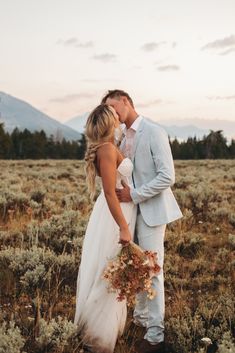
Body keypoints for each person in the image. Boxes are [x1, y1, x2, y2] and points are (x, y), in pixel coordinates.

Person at [101, 90, 183, 353]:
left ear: (125, 101)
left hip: (151, 213)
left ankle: (155, 336)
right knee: (136, 268)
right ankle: (141, 320)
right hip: (131, 214)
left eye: (113, 108)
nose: (112, 114)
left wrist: (134, 195)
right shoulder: (120, 136)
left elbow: (167, 176)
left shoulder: (154, 132)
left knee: (153, 270)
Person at [74, 104, 137, 353]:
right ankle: (98, 338)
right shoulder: (108, 150)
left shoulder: (109, 146)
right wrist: (123, 227)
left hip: (117, 212)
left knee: (108, 269)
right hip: (114, 216)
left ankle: (96, 331)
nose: (118, 116)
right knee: (109, 271)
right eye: (113, 115)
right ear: (108, 122)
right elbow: (110, 193)